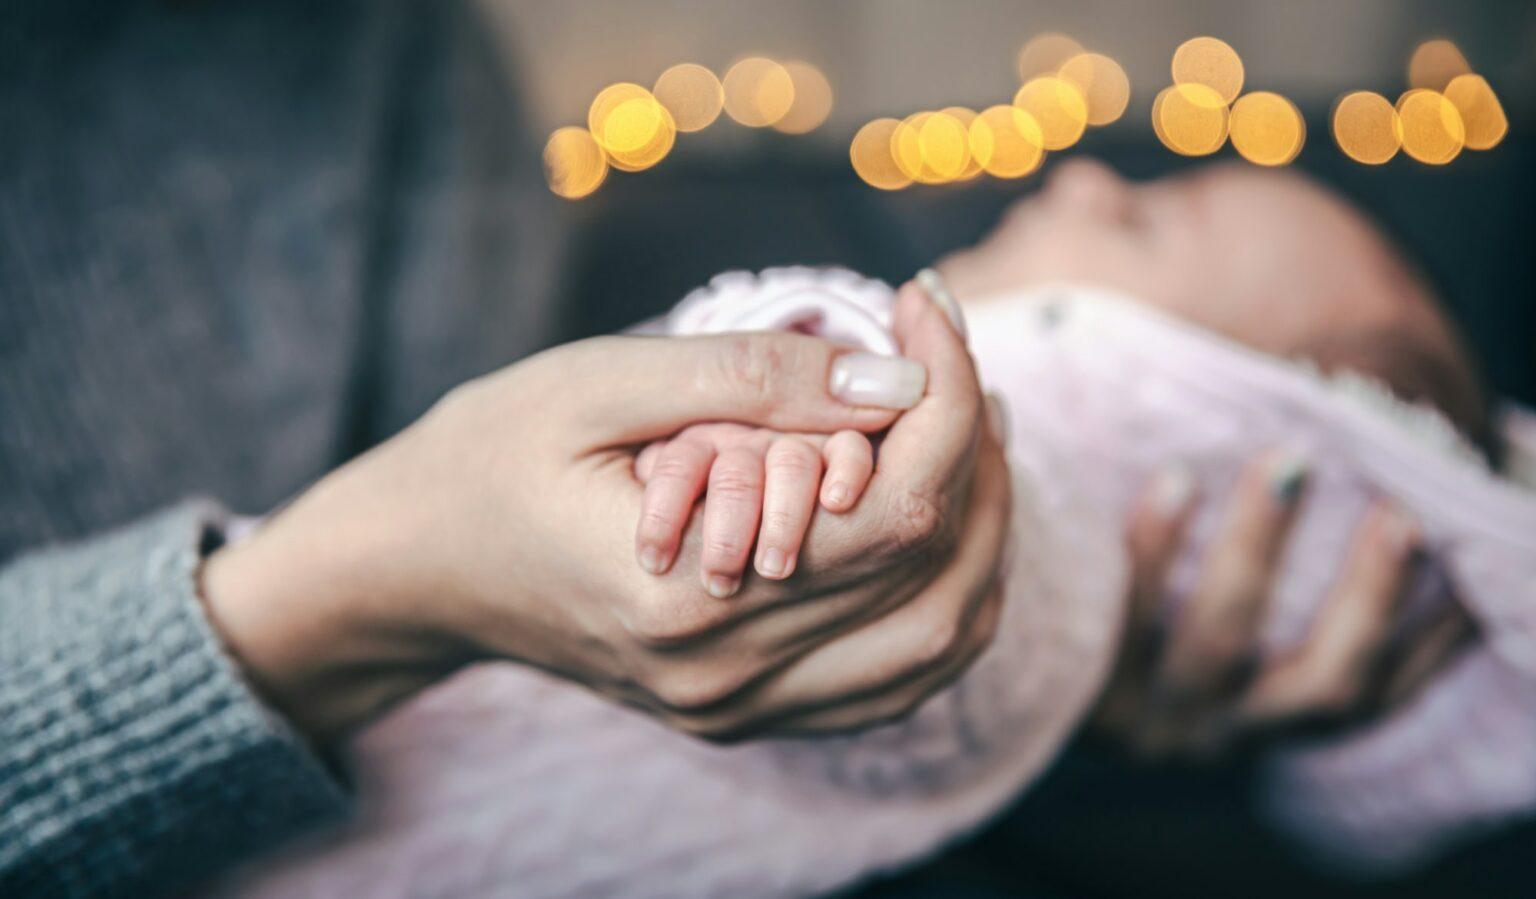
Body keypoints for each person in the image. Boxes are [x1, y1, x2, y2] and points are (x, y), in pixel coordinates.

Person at [207, 161, 1535, 898]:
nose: (1080, 173)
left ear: (1183, 410)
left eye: (1142, 217)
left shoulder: (1022, 543)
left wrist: (808, 396)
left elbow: (965, 603)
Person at [0, 4, 1009, 897]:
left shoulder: (404, 54)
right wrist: (368, 587)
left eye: (1146, 223)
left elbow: (568, 491)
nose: (1091, 183)